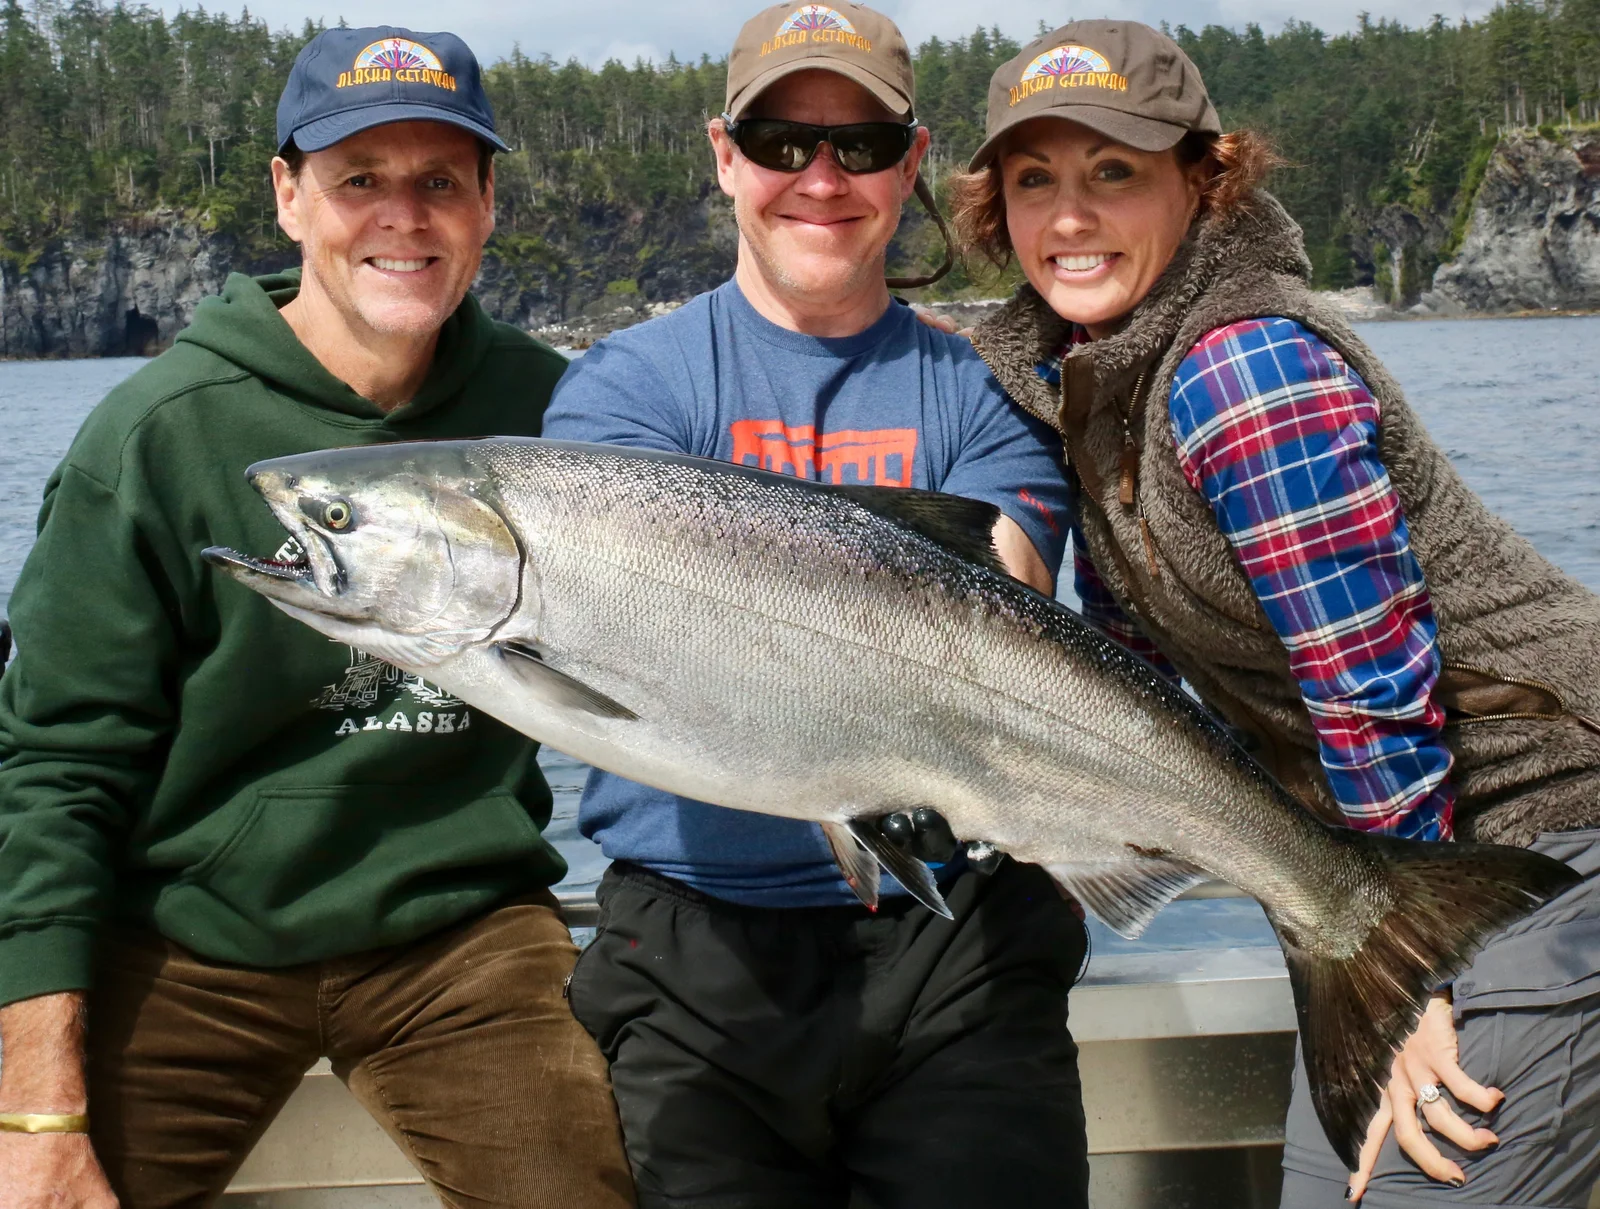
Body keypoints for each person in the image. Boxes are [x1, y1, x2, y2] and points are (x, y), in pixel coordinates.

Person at [942, 17, 1600, 1207]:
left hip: (1543, 823)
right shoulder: (1090, 383)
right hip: (1382, 870)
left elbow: (1369, 691)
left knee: (1410, 1186)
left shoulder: (1243, 374)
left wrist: (1410, 979)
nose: (1069, 216)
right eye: (1033, 180)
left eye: (1113, 174)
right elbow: (1136, 676)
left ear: (1205, 180)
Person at [0, 25, 634, 1209]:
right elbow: (52, 767)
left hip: (464, 936)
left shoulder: (561, 415)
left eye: (439, 180)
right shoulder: (157, 436)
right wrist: (36, 1108)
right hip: (184, 935)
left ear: (488, 203)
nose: (403, 215)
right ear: (289, 197)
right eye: (358, 180)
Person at [540, 4, 1090, 1206]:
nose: (822, 179)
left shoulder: (988, 395)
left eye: (862, 145)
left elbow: (1009, 610)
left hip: (960, 943)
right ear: (724, 155)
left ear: (913, 162)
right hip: (694, 955)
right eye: (783, 142)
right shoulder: (621, 394)